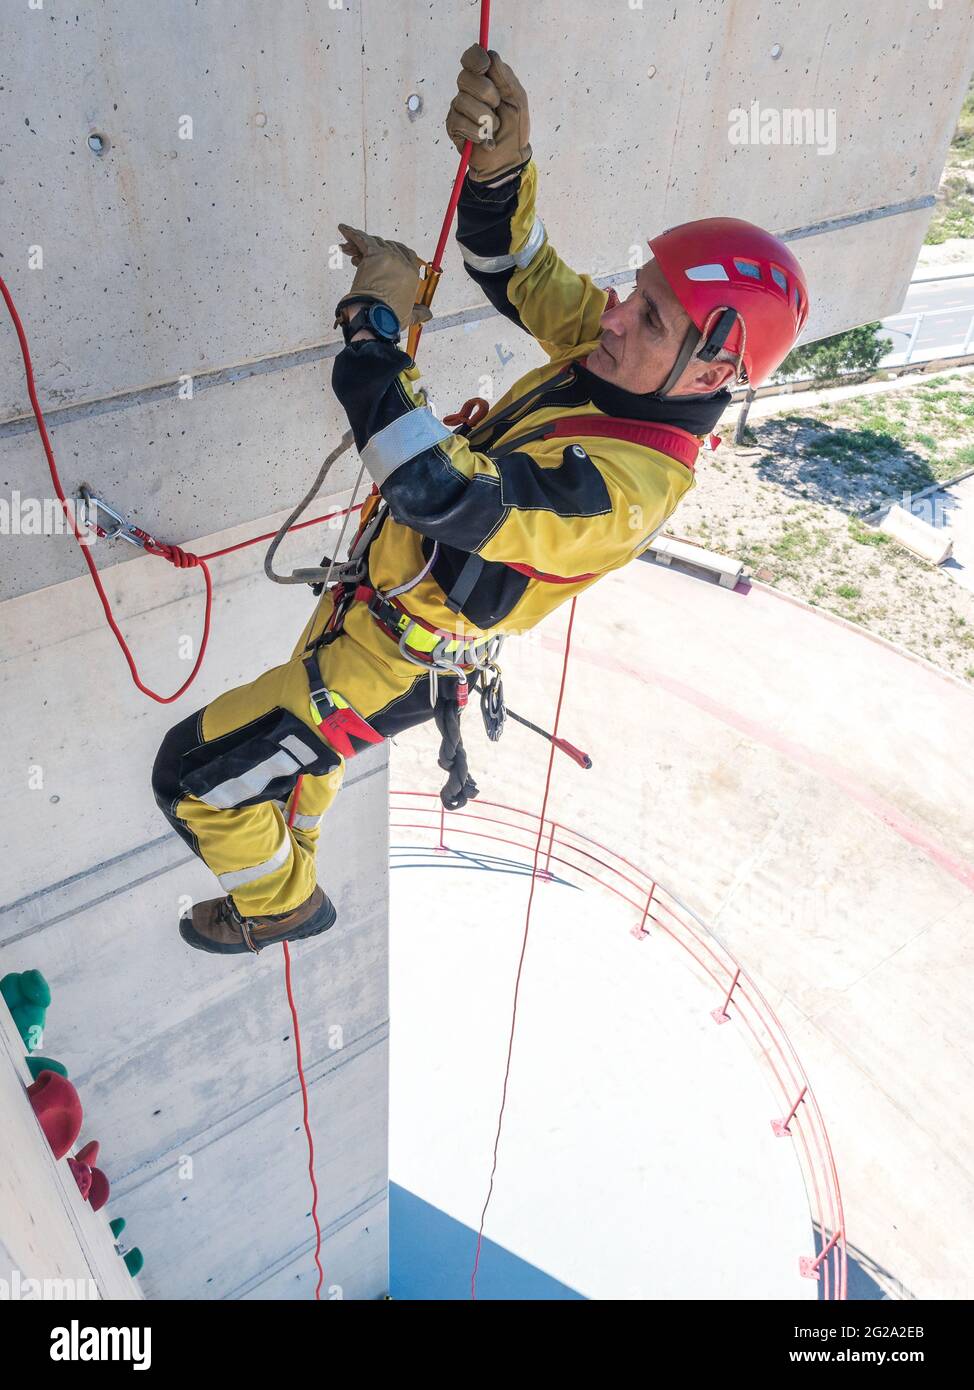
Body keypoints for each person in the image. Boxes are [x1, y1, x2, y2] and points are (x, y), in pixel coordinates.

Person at [151, 45, 810, 956]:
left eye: (650, 317)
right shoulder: (623, 357)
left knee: (189, 778)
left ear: (713, 369)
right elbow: (517, 272)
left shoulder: (631, 489)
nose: (613, 316)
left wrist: (372, 328)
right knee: (290, 765)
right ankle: (288, 853)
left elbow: (439, 490)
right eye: (635, 295)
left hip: (390, 662)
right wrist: (501, 171)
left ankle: (277, 905)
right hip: (375, 613)